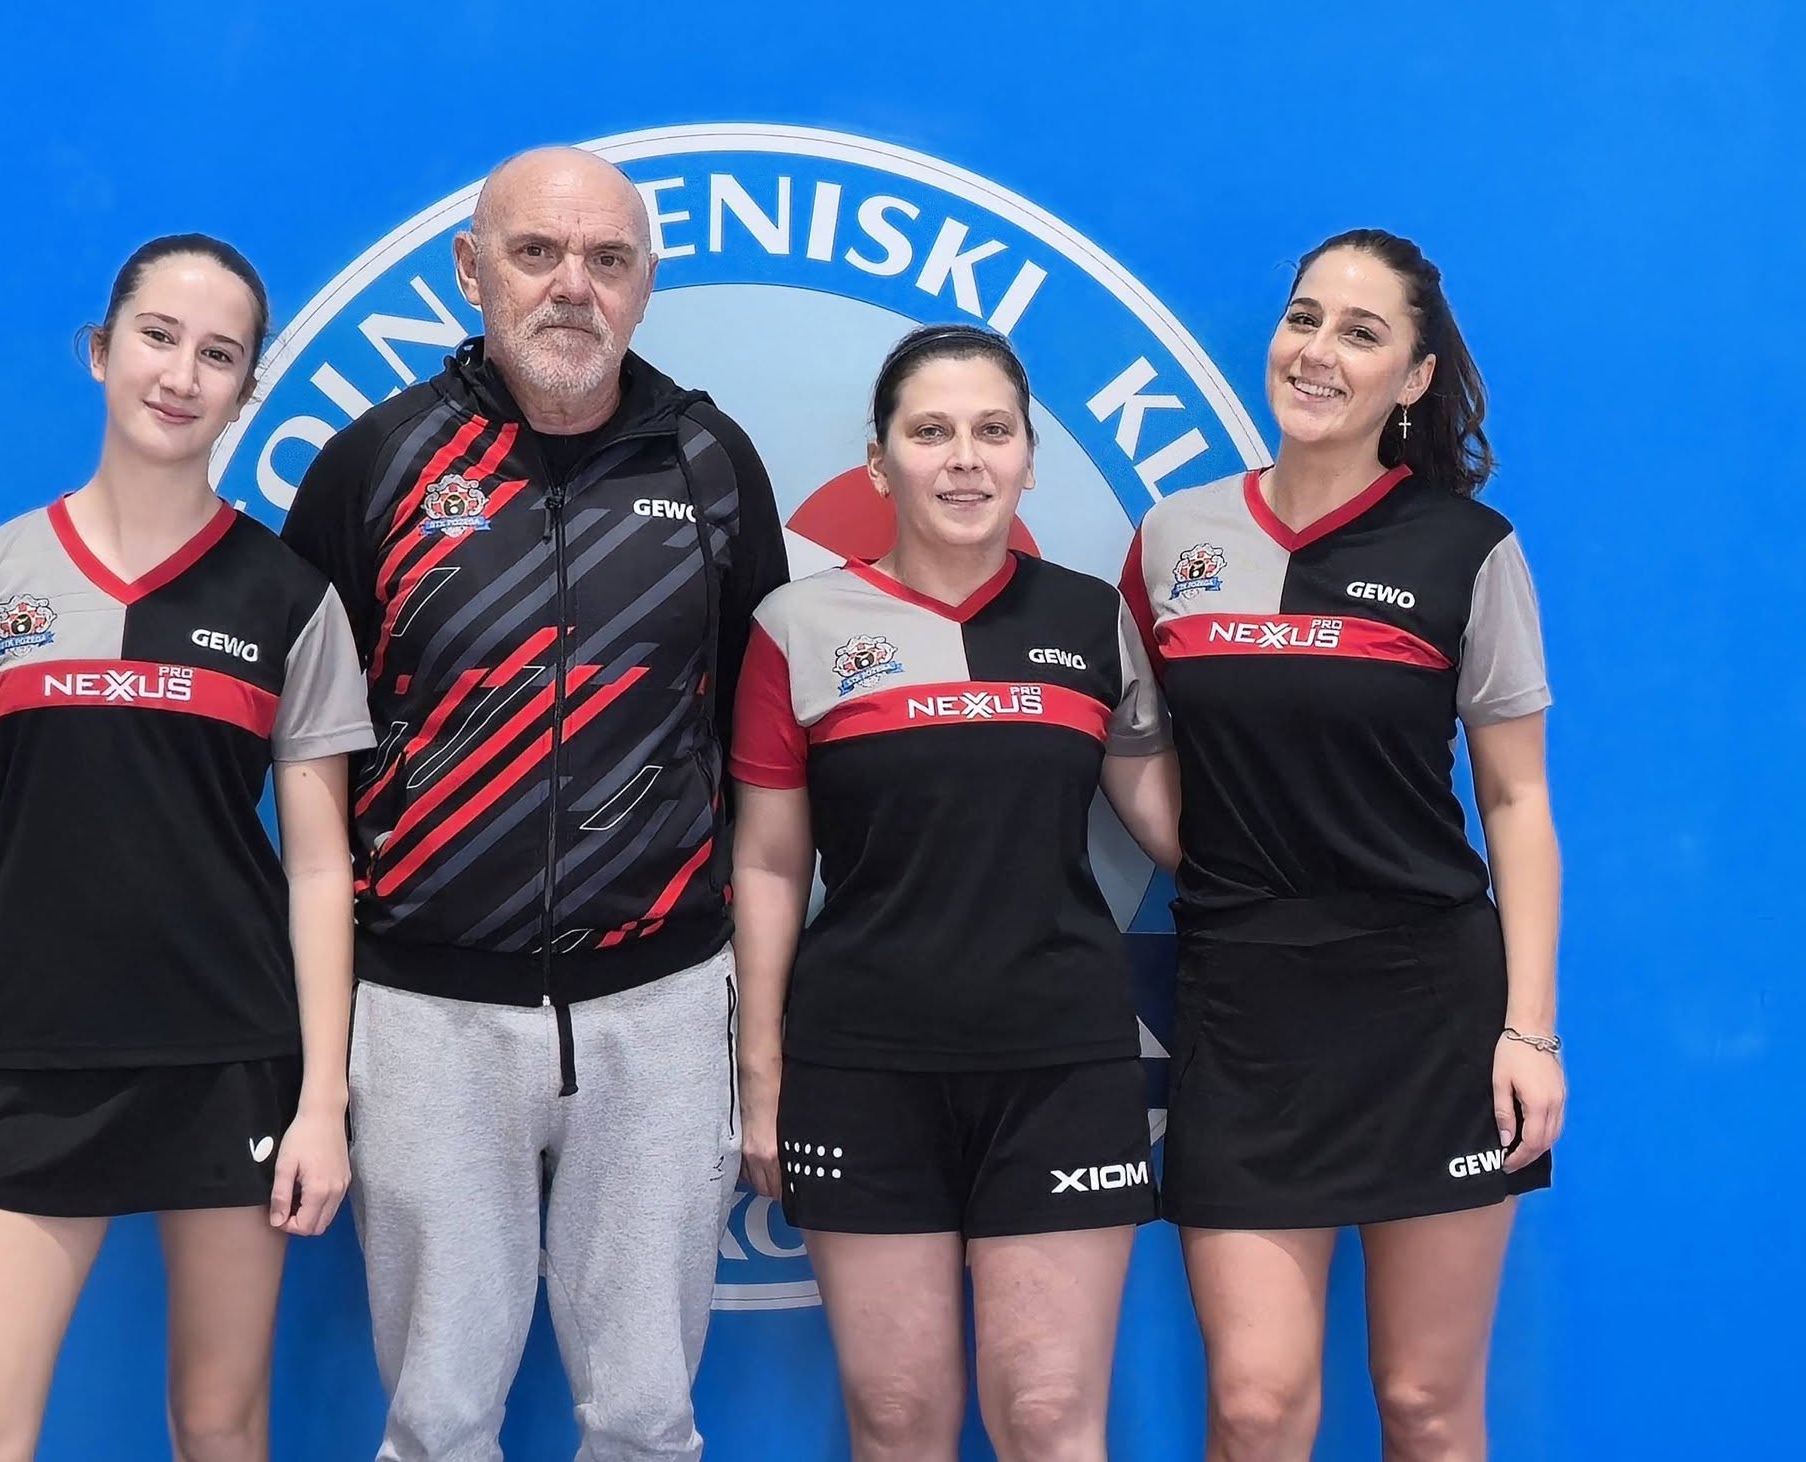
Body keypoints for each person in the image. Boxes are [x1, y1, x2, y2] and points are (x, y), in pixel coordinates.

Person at [279, 146, 789, 1461]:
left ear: (645, 283)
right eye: (537, 253)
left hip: (659, 1005)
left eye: (608, 260)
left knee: (646, 1415)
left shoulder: (710, 462)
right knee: (438, 1417)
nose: (574, 287)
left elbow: (755, 741)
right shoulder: (375, 464)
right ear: (472, 270)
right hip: (427, 1010)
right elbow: (305, 752)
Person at [0, 233, 375, 1462]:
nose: (180, 374)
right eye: (158, 337)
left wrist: (322, 1101)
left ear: (244, 389)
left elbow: (322, 868)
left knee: (218, 1424)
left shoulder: (290, 599)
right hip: (36, 1063)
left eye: (219, 355)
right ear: (101, 351)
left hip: (232, 1059)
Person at [1119, 229, 1566, 1461]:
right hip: (1244, 1010)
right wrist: (1222, 861)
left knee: (1424, 1406)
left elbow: (1516, 801)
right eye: (1303, 318)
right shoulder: (1171, 539)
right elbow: (1133, 748)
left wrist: (1528, 1031)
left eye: (1360, 333)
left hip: (1428, 1011)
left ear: (1412, 378)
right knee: (1255, 1407)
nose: (1316, 351)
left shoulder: (1466, 549)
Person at [730, 323, 1181, 1462]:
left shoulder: (1090, 619)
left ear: (1030, 457)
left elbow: (1174, 828)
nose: (964, 458)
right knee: (896, 1422)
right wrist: (761, 1076)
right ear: (878, 462)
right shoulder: (796, 628)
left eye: (992, 431)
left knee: (1047, 1416)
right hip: (862, 1068)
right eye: (930, 432)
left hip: (1059, 1065)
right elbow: (770, 864)